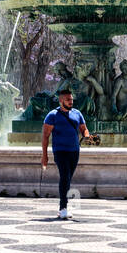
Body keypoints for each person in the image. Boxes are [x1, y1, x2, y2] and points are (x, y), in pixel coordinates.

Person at [41, 87, 88, 220]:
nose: (70, 101)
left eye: (71, 99)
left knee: (67, 179)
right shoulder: (52, 115)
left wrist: (87, 136)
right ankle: (63, 208)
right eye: (68, 100)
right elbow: (45, 136)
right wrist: (44, 156)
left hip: (74, 151)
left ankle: (64, 206)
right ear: (61, 100)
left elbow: (84, 129)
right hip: (60, 151)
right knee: (65, 177)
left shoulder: (77, 113)